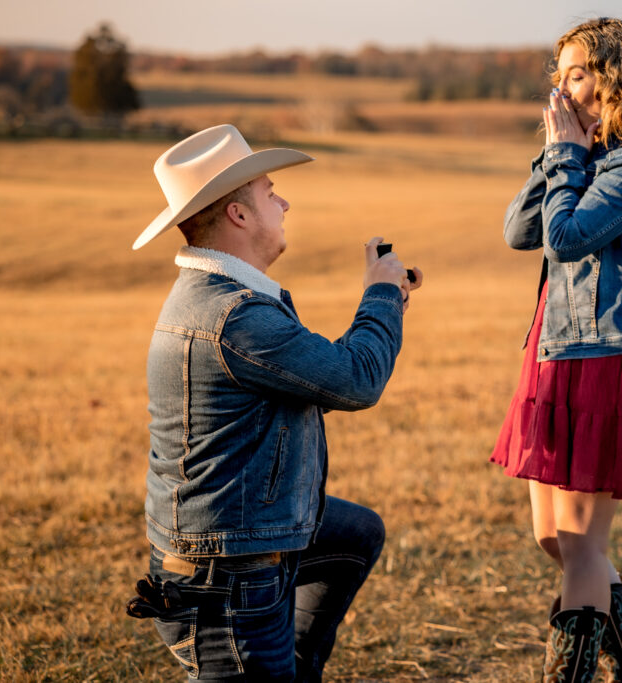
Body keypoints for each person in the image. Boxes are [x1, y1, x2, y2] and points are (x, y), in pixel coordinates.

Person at [124, 124, 422, 681]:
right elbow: (356, 380)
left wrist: (386, 301)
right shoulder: (234, 316)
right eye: (268, 192)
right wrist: (380, 294)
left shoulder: (225, 300)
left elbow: (314, 384)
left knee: (356, 534)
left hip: (232, 546)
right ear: (238, 215)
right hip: (225, 578)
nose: (283, 201)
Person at [489, 18, 622, 682]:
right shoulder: (587, 158)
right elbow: (521, 229)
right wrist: (559, 150)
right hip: (551, 350)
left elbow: (566, 238)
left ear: (616, 80)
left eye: (577, 73)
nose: (562, 87)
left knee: (579, 545)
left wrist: (568, 157)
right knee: (556, 538)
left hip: (604, 357)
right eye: (559, 74)